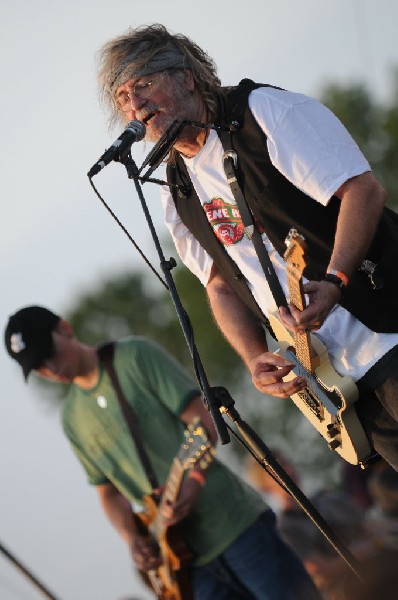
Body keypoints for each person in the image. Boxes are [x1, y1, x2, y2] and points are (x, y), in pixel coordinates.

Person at [95, 23, 398, 470]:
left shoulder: (264, 114)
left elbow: (364, 191)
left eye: (144, 84)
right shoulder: (175, 188)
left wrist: (334, 280)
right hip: (335, 381)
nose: (135, 104)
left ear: (186, 77)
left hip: (387, 324)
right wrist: (256, 357)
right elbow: (218, 286)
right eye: (123, 97)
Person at [4, 305, 320, 600]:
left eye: (49, 354)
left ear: (65, 329)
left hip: (234, 527)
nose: (50, 368)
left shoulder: (135, 356)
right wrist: (132, 538)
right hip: (183, 568)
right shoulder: (71, 418)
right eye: (38, 367)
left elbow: (203, 423)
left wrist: (193, 481)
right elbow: (108, 493)